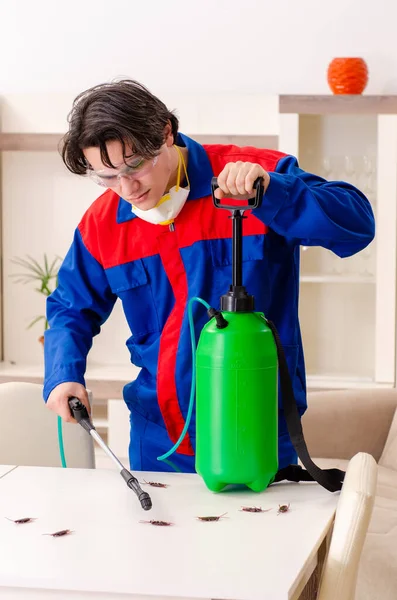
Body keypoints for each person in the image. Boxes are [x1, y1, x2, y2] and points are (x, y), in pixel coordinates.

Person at [44, 79, 375, 473]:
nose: (127, 188)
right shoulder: (104, 224)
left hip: (258, 427)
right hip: (158, 441)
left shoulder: (255, 177)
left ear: (166, 132)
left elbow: (356, 226)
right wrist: (64, 375)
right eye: (107, 177)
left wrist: (273, 192)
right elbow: (70, 307)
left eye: (134, 166)